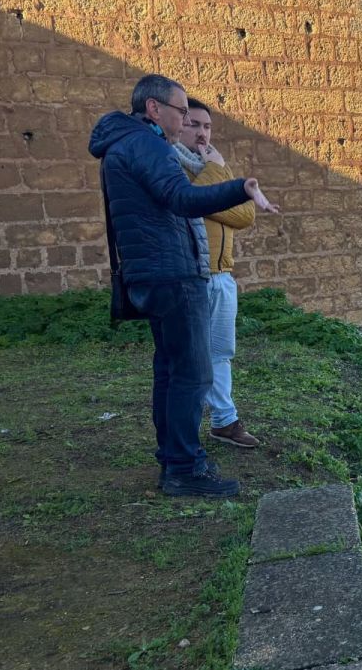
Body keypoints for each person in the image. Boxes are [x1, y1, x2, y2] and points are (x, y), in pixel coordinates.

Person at [88, 74, 279, 498]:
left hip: (152, 272)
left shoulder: (123, 145)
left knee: (171, 372)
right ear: (155, 109)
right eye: (180, 112)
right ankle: (184, 468)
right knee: (191, 373)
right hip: (172, 273)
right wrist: (241, 186)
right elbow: (183, 199)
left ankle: (175, 459)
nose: (184, 121)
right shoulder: (145, 144)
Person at [175, 98, 263, 449]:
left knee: (220, 352)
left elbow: (245, 216)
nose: (201, 133)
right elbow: (189, 201)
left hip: (222, 275)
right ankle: (183, 434)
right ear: (177, 125)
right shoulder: (173, 166)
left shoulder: (210, 166)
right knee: (190, 356)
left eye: (207, 126)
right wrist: (217, 175)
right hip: (193, 275)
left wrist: (218, 177)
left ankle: (224, 421)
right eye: (193, 124)